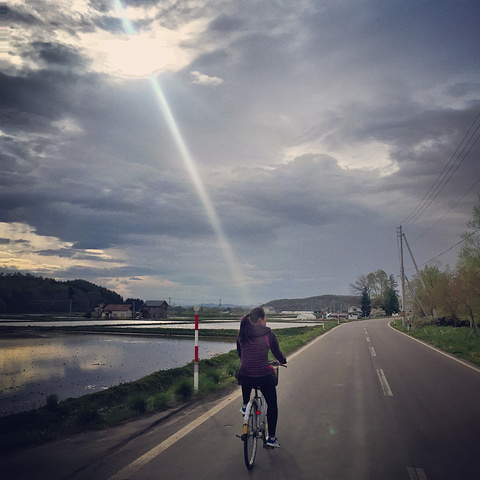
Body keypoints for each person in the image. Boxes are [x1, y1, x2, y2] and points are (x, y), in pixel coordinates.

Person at [236, 306, 287, 448]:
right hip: (263, 376)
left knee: (244, 372)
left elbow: (240, 353)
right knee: (272, 404)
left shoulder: (243, 333)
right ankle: (271, 438)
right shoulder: (268, 334)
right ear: (260, 319)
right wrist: (283, 360)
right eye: (265, 318)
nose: (266, 321)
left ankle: (245, 405)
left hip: (245, 375)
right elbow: (277, 353)